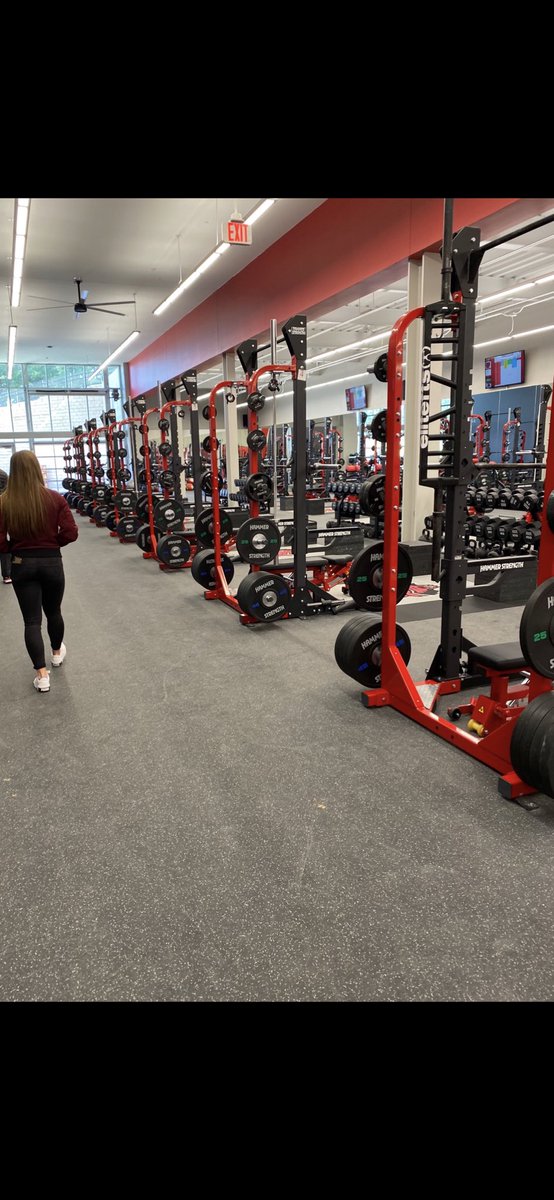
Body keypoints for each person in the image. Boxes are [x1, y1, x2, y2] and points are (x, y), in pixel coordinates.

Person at [0, 451, 78, 693]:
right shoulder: (55, 498)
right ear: (36, 469)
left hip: (22, 564)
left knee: (32, 621)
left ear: (13, 472)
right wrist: (51, 544)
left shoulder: (4, 501)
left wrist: (15, 548)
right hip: (52, 563)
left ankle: (42, 676)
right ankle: (56, 654)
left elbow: (1, 542)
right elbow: (70, 533)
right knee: (53, 611)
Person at [0, 466, 11, 583]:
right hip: (3, 506)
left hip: (2, 507)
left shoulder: (3, 475)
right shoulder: (3, 474)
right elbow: (7, 491)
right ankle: (7, 575)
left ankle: (7, 574)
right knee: (3, 541)